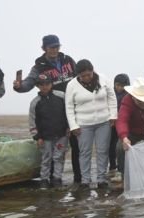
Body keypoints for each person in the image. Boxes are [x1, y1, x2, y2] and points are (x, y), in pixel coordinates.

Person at [13, 34, 82, 183]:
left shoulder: (68, 60)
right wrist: (19, 86)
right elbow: (29, 83)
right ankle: (50, 179)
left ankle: (78, 179)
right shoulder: (39, 67)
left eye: (57, 46)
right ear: (44, 48)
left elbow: (80, 77)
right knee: (50, 151)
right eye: (51, 47)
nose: (55, 50)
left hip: (73, 108)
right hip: (54, 111)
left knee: (76, 146)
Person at [65, 59, 117, 188]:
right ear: (78, 75)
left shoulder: (103, 79)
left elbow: (112, 97)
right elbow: (69, 107)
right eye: (83, 76)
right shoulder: (71, 85)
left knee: (102, 150)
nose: (87, 78)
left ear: (93, 71)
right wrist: (73, 126)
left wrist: (113, 116)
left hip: (103, 122)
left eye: (89, 74)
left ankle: (101, 179)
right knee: (84, 152)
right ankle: (85, 180)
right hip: (83, 124)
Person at [28, 74, 68, 188]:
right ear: (37, 86)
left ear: (51, 84)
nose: (45, 86)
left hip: (62, 135)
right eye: (42, 85)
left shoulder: (62, 96)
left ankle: (57, 178)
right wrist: (37, 137)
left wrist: (69, 127)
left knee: (59, 157)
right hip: (45, 137)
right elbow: (32, 121)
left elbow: (68, 113)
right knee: (46, 158)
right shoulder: (35, 102)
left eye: (47, 84)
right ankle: (44, 179)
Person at [109, 74, 129, 171]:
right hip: (112, 122)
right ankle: (112, 166)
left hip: (124, 123)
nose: (120, 88)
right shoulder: (110, 93)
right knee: (111, 144)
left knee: (122, 144)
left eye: (122, 85)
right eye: (118, 85)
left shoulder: (129, 95)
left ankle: (124, 165)